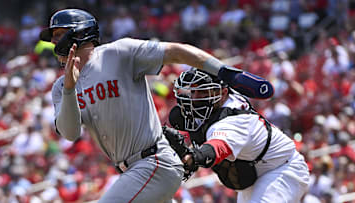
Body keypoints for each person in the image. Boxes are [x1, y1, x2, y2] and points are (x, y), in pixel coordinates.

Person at [39, 8, 273, 202]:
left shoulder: (118, 53)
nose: (53, 41)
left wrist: (223, 71)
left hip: (153, 162)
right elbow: (70, 133)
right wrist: (70, 88)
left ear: (78, 32)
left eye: (58, 34)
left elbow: (175, 52)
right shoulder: (61, 87)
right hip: (133, 172)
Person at [170, 68, 310, 203]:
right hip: (256, 173)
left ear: (223, 93)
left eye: (203, 92)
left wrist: (193, 157)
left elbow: (218, 147)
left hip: (281, 169)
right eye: (194, 91)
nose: (195, 98)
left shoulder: (232, 120)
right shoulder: (217, 104)